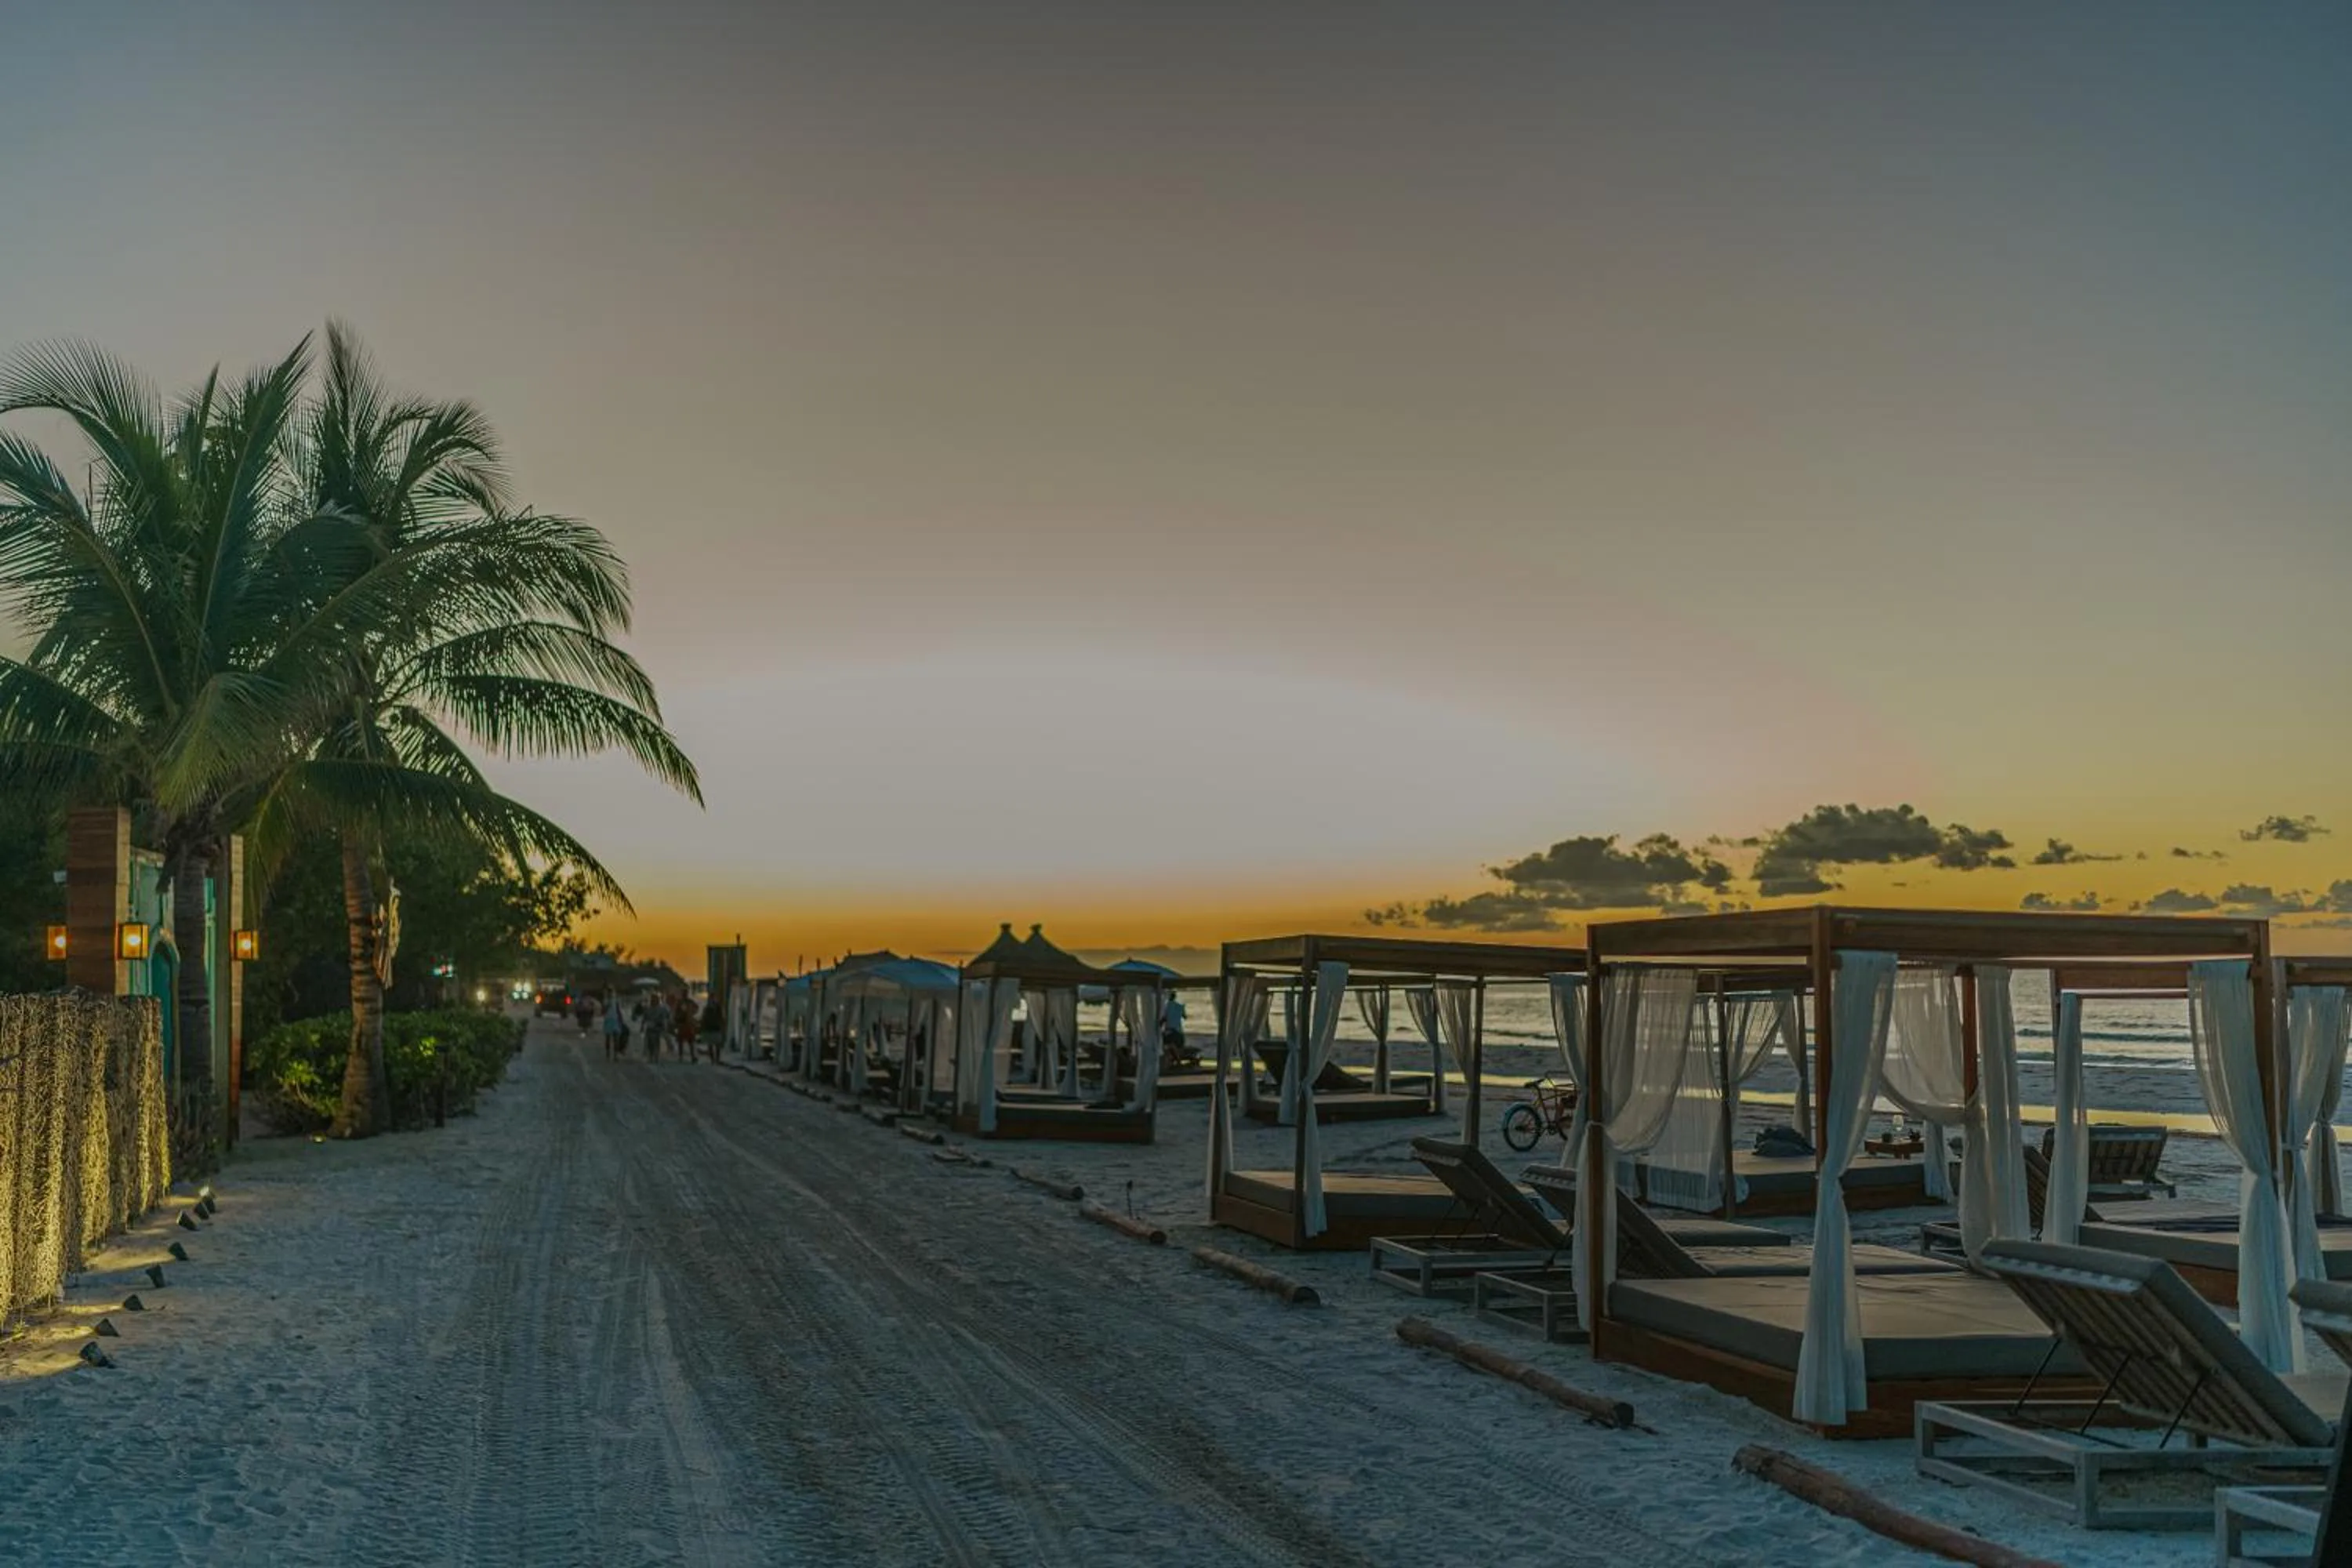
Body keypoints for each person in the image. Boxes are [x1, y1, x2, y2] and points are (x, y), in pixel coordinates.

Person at [674, 993, 701, 1062]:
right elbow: (676, 1012)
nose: (685, 994)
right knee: (681, 1041)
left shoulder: (690, 1002)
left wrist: (692, 1013)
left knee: (691, 1041)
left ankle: (693, 1056)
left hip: (689, 1024)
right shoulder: (680, 1002)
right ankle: (681, 1056)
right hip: (682, 1023)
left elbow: (696, 1008)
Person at [601, 989, 626, 1062]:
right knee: (608, 1038)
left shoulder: (616, 1001)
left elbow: (618, 1010)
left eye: (612, 993)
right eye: (610, 993)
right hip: (608, 1020)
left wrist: (621, 1020)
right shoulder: (606, 1001)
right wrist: (607, 1006)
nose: (611, 995)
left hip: (615, 1020)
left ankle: (615, 1055)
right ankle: (608, 1053)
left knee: (616, 1038)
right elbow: (603, 1011)